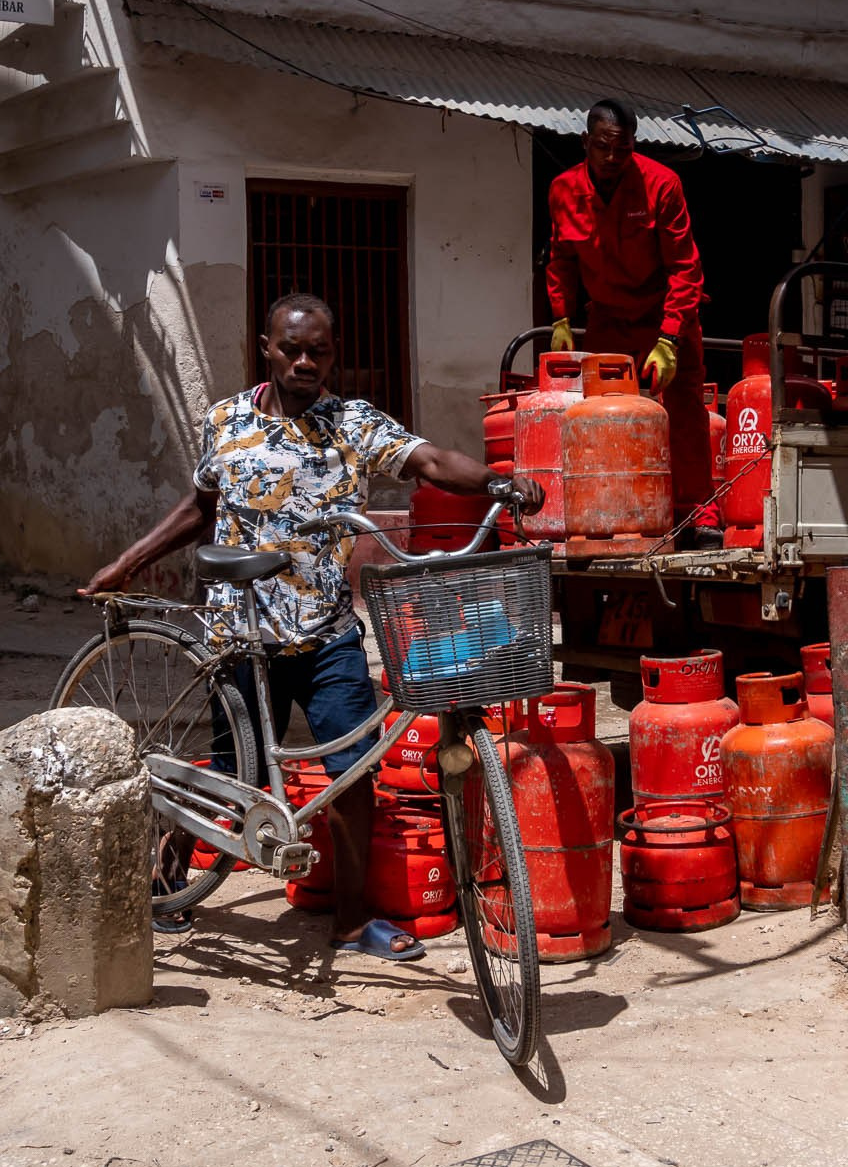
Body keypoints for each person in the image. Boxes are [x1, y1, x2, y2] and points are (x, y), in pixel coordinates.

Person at [83, 292, 541, 962]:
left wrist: (498, 481)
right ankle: (168, 864)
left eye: (318, 350)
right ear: (266, 347)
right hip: (240, 633)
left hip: (326, 633)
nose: (305, 360)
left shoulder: (353, 423)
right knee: (238, 774)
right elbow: (200, 508)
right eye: (292, 348)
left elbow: (429, 460)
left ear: (333, 355)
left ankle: (353, 923)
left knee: (353, 779)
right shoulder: (225, 420)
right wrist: (126, 563)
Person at [545, 98, 719, 546]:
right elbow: (561, 258)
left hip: (665, 316)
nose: (611, 159)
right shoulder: (562, 189)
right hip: (607, 320)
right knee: (604, 418)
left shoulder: (662, 184)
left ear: (633, 146)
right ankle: (612, 511)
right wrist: (560, 315)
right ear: (586, 142)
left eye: (621, 150)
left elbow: (686, 268)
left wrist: (669, 338)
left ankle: (698, 514)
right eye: (603, 148)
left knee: (683, 415)